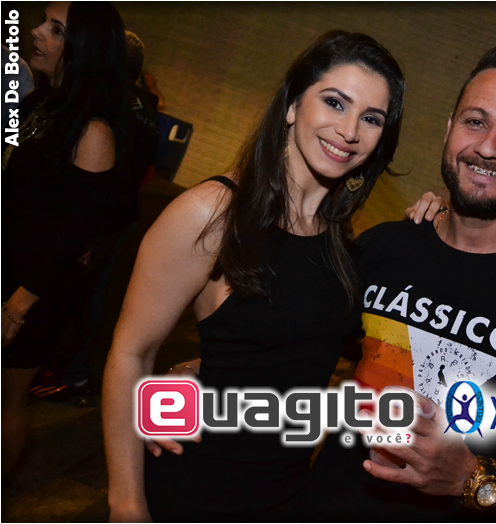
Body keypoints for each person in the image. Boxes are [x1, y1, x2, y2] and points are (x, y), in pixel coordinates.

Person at [102, 30, 441, 522]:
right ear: (292, 105)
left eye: (371, 118)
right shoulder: (212, 213)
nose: (349, 130)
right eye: (334, 102)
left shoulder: (337, 235)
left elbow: (287, 344)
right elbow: (130, 353)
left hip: (285, 496)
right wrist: (126, 504)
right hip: (194, 491)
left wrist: (440, 221)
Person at [302, 46, 496, 521]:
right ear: (449, 127)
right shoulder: (386, 246)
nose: (487, 148)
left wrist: (473, 476)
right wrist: (213, 368)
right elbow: (299, 345)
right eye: (475, 122)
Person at [1, 1, 127, 477]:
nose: (36, 32)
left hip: (31, 291)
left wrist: (18, 305)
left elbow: (71, 235)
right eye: (43, 22)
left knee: (7, 400)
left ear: (83, 50)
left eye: (56, 30)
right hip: (9, 265)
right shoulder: (40, 103)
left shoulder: (93, 131)